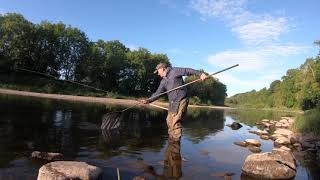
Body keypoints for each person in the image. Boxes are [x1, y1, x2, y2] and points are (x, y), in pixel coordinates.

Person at [141, 63, 207, 141]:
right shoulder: (163, 81)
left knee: (175, 122)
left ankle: (175, 143)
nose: (158, 74)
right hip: (173, 103)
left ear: (162, 69)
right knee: (169, 121)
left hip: (181, 99)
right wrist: (148, 100)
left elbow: (187, 70)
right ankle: (171, 140)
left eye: (158, 71)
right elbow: (158, 93)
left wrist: (200, 74)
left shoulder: (174, 71)